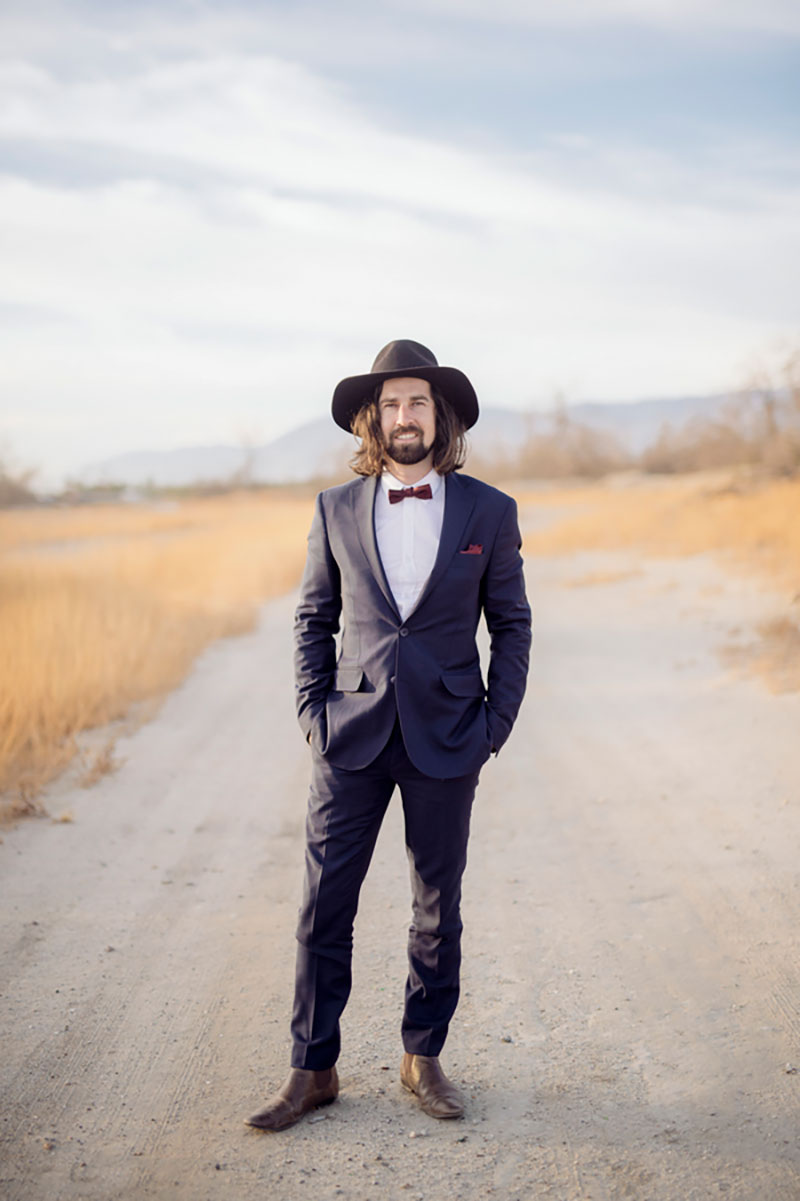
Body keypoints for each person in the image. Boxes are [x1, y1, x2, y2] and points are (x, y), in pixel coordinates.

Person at [246, 339, 531, 1131]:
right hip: (352, 735)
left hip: (449, 736)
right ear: (374, 418)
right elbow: (313, 618)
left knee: (438, 908)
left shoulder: (489, 510)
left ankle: (422, 1055)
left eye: (419, 402)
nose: (405, 416)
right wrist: (314, 713)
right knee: (322, 905)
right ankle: (312, 1069)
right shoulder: (334, 510)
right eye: (393, 403)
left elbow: (511, 624)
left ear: (440, 417)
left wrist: (494, 726)